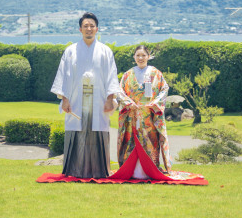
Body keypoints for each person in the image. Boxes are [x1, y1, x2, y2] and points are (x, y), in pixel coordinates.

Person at [50, 12, 121, 178]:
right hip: (76, 100)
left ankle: (100, 171)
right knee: (77, 132)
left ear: (97, 29)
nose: (89, 29)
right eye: (85, 26)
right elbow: (64, 76)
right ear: (80, 29)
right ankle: (74, 171)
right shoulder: (70, 51)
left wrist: (110, 99)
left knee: (98, 132)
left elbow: (111, 76)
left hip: (99, 100)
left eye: (92, 26)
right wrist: (65, 99)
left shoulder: (105, 51)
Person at [116, 45, 171, 178]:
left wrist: (155, 103)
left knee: (150, 141)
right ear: (134, 57)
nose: (140, 58)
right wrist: (129, 103)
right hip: (132, 114)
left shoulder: (155, 73)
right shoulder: (127, 74)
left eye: (143, 55)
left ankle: (150, 170)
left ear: (148, 56)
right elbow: (119, 91)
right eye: (138, 55)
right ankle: (132, 171)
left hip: (149, 115)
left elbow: (164, 89)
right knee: (132, 141)